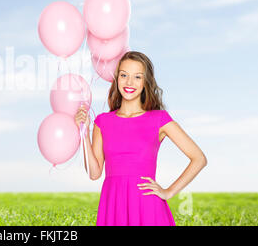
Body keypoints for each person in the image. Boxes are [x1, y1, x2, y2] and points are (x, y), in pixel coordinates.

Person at [75, 51, 207, 226]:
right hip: (113, 204)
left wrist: (168, 192)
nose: (129, 82)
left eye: (137, 77)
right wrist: (83, 132)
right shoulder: (102, 122)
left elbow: (199, 159)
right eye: (124, 75)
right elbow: (94, 173)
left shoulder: (159, 119)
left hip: (147, 206)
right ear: (117, 79)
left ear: (146, 82)